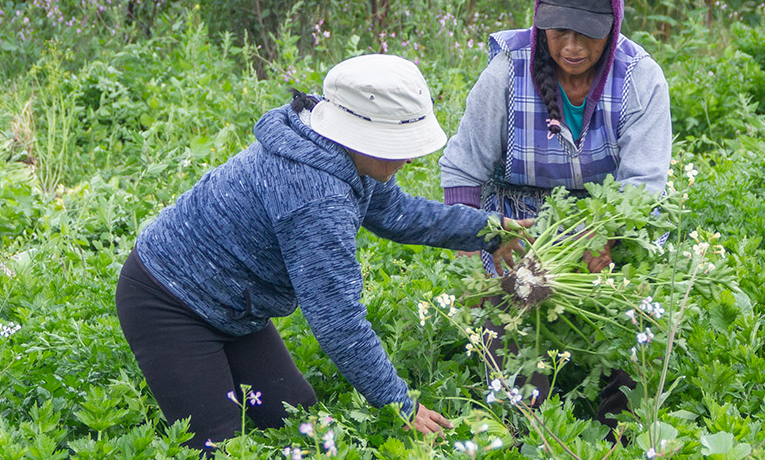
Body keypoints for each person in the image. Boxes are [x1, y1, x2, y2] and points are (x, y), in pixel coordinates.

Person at [115, 54, 529, 451]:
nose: (407, 155)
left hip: (237, 309)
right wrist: (402, 405)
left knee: (299, 425)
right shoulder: (316, 196)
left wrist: (490, 230)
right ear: (360, 133)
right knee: (222, 448)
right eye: (398, 142)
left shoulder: (338, 151)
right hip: (168, 301)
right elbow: (339, 322)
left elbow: (399, 213)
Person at [436, 0, 671, 430]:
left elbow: (644, 183)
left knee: (634, 330)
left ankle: (617, 432)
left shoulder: (640, 79)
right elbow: (463, 168)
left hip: (606, 225)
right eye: (559, 30)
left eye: (587, 34)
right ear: (540, 23)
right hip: (517, 230)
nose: (571, 47)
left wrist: (607, 237)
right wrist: (478, 246)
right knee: (517, 368)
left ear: (612, 29)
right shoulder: (507, 70)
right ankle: (521, 428)